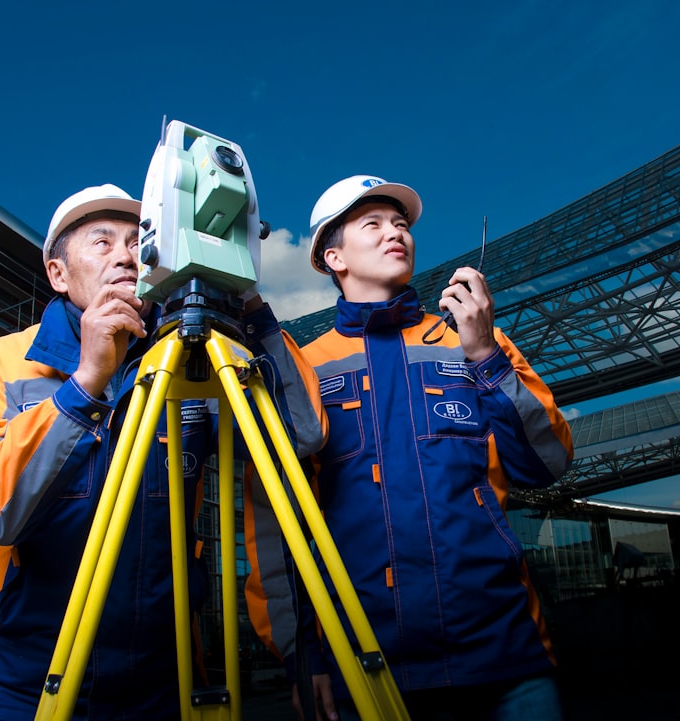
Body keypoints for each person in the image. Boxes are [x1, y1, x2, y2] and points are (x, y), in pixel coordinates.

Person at [0, 184, 325, 720]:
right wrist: (84, 385)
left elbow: (301, 435)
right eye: (102, 242)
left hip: (162, 682)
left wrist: (250, 309)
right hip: (22, 682)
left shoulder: (190, 366)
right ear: (58, 273)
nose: (126, 254)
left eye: (138, 241)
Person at [244, 176, 575, 720]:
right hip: (364, 665)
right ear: (333, 257)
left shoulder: (474, 341)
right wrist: (302, 654)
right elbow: (273, 523)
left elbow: (546, 463)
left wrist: (486, 355)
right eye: (371, 224)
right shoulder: (303, 368)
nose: (394, 232)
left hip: (504, 655)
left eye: (400, 223)